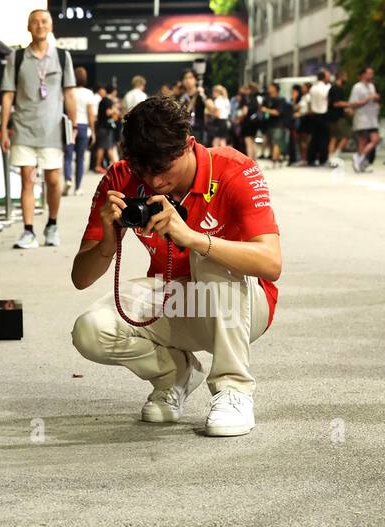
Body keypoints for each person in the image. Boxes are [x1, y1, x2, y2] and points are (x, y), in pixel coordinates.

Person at [70, 96, 282, 438]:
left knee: (208, 256)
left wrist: (194, 237)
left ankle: (234, 390)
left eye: (162, 169)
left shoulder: (233, 169)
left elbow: (271, 263)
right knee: (90, 330)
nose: (154, 182)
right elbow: (81, 278)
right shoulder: (120, 178)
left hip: (242, 307)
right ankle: (175, 375)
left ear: (187, 145)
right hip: (176, 299)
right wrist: (109, 243)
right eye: (144, 171)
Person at [0, 8, 77, 249]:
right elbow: (8, 95)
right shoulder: (17, 58)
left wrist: (74, 125)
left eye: (44, 21)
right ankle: (28, 231)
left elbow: (69, 94)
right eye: (35, 22)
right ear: (28, 27)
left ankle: (52, 225)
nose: (40, 25)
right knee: (27, 180)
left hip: (52, 130)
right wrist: (4, 129)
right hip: (23, 128)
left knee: (54, 181)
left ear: (51, 26)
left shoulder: (63, 57)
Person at [64, 67, 98, 195]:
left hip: (70, 126)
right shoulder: (88, 93)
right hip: (84, 127)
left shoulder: (68, 92)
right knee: (80, 158)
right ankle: (78, 188)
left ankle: (68, 178)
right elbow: (90, 114)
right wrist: (93, 131)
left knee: (67, 156)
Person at [349, 66, 381, 172]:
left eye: (372, 73)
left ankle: (359, 159)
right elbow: (353, 103)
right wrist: (367, 99)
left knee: (375, 139)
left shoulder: (372, 86)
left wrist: (376, 99)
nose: (371, 75)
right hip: (362, 118)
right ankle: (360, 161)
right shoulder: (357, 87)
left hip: (372, 118)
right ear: (363, 75)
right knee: (362, 141)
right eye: (369, 73)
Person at [306, 69, 332, 166]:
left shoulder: (313, 88)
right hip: (323, 114)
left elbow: (309, 101)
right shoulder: (327, 88)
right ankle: (323, 159)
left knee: (314, 138)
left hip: (314, 115)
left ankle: (311, 158)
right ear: (324, 77)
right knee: (324, 139)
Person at [178, 69, 210, 144]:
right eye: (185, 78)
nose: (188, 80)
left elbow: (213, 109)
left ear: (196, 80)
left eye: (191, 77)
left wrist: (202, 95)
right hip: (185, 130)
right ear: (182, 81)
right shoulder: (180, 96)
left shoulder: (202, 94)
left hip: (199, 129)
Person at [262, 81, 290, 167]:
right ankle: (277, 159)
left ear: (275, 89)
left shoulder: (281, 100)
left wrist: (266, 110)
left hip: (278, 125)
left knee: (276, 142)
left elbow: (278, 112)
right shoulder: (267, 99)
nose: (269, 89)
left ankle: (274, 161)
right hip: (269, 124)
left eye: (271, 87)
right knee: (271, 143)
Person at [93, 85, 121, 172]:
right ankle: (115, 167)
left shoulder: (103, 100)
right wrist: (115, 110)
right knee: (106, 147)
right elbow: (108, 112)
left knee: (104, 147)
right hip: (105, 128)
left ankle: (104, 165)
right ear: (113, 92)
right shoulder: (108, 101)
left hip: (102, 127)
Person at [328, 70, 353, 164]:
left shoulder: (333, 88)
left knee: (333, 137)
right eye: (345, 76)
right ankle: (335, 155)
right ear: (341, 77)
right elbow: (336, 103)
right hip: (337, 117)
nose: (346, 78)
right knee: (346, 135)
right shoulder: (337, 88)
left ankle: (331, 157)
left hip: (332, 116)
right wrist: (350, 104)